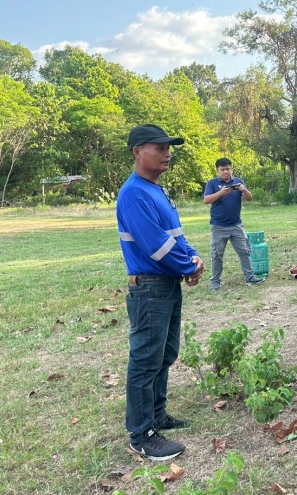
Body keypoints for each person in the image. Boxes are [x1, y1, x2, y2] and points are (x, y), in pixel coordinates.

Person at [116, 124, 205, 461]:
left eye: (169, 148)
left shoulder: (155, 189)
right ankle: (142, 435)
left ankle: (156, 415)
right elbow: (155, 245)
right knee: (145, 359)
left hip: (165, 285)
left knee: (164, 354)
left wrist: (192, 257)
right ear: (138, 152)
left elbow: (175, 236)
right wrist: (187, 266)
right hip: (150, 287)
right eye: (160, 147)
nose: (167, 153)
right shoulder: (134, 193)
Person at [203, 158, 264, 290]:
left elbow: (249, 198)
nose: (226, 172)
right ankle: (215, 281)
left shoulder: (238, 181)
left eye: (228, 169)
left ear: (231, 169)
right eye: (222, 169)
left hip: (236, 224)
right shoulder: (212, 183)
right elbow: (206, 200)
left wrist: (243, 190)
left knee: (244, 251)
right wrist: (221, 193)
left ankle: (250, 277)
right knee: (217, 255)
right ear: (217, 170)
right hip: (218, 225)